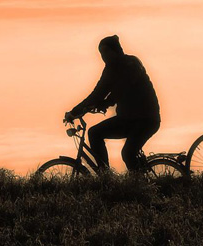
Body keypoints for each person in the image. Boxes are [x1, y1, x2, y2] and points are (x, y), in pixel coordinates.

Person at [64, 35, 161, 172]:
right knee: (94, 133)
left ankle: (141, 186)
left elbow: (124, 88)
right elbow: (97, 93)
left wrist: (105, 103)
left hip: (146, 119)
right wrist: (75, 112)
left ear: (116, 50)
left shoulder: (131, 63)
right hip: (127, 119)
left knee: (128, 153)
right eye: (101, 53)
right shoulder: (109, 70)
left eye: (106, 52)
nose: (103, 56)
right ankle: (105, 176)